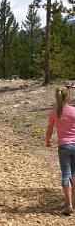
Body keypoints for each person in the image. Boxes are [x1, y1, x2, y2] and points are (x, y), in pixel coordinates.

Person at [46, 87, 75, 215]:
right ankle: (73, 201)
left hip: (63, 146)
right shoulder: (74, 111)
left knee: (66, 174)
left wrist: (48, 140)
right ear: (69, 97)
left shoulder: (54, 113)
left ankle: (68, 204)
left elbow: (50, 130)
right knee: (74, 173)